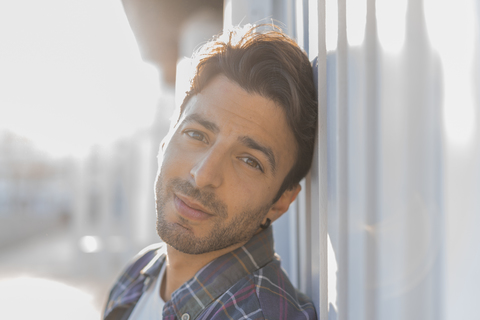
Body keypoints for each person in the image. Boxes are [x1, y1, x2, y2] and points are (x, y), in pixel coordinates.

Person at [103, 24, 318, 320]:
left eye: (249, 161)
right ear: (167, 138)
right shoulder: (138, 276)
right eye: (197, 135)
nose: (203, 175)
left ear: (281, 201)